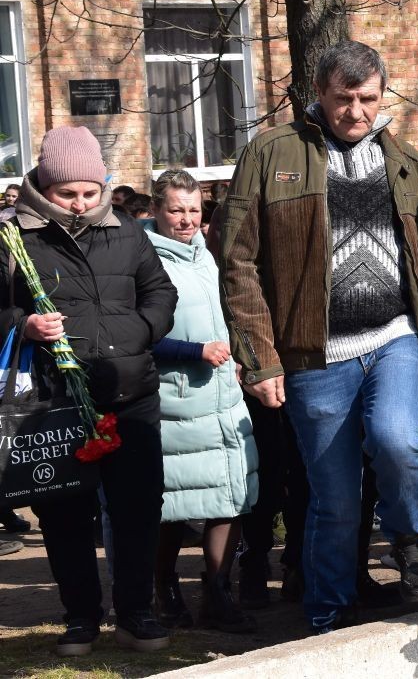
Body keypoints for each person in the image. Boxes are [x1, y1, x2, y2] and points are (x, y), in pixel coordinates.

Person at [218, 40, 418, 634]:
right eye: (344, 98)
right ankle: (329, 613)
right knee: (335, 499)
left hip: (393, 338)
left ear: (382, 95)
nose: (356, 111)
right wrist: (259, 359)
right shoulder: (271, 152)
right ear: (318, 93)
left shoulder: (405, 160)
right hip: (313, 355)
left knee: (399, 441)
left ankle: (410, 540)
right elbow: (237, 260)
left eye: (368, 98)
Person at [0, 126, 178, 655]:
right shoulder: (14, 237)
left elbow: (159, 292)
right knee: (63, 514)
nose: (80, 204)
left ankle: (136, 613)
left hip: (130, 392)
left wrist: (140, 332)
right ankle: (80, 617)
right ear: (44, 187)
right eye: (67, 193)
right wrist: (24, 324)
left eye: (90, 191)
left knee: (137, 508)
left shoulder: (127, 230)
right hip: (54, 400)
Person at [144, 170, 259, 633]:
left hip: (222, 395)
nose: (186, 219)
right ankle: (165, 590)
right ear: (156, 209)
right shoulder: (144, 259)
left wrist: (238, 357)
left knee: (229, 495)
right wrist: (194, 351)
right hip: (175, 398)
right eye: (176, 210)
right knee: (173, 503)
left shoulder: (205, 255)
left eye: (193, 210)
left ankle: (218, 592)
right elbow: (137, 335)